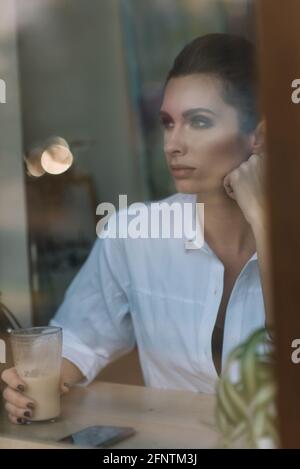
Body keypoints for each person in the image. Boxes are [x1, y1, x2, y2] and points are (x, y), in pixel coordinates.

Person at [1, 33, 270, 425]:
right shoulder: (135, 235)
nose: (172, 144)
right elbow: (79, 338)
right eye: (167, 123)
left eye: (198, 121)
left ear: (257, 136)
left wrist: (264, 220)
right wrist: (31, 381)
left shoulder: (286, 235)